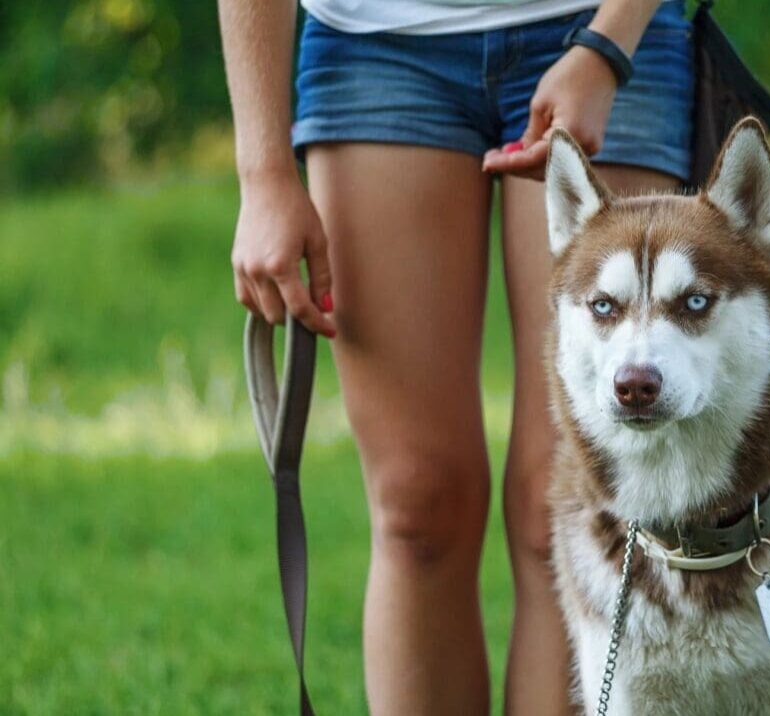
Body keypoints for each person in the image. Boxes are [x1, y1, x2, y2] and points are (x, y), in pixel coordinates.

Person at [218, 0, 694, 712]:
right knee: (418, 502)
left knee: (568, 509)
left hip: (608, 38)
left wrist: (607, 47)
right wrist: (261, 171)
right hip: (374, 50)